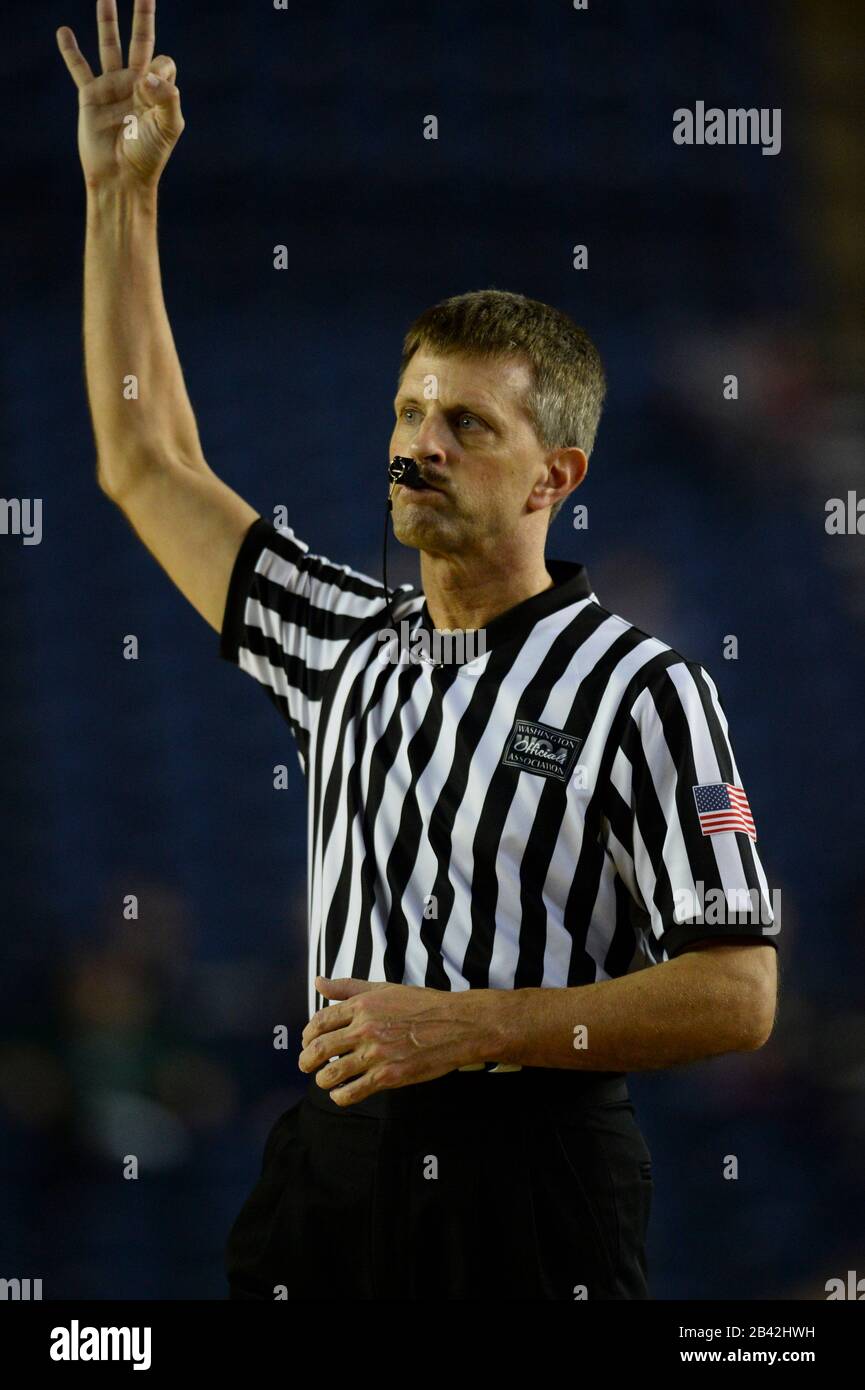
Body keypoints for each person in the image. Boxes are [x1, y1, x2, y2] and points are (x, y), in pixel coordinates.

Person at [58, 0, 779, 1300]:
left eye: (462, 423)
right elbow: (142, 456)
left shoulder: (642, 687)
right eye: (405, 408)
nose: (417, 442)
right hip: (333, 1162)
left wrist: (476, 1026)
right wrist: (123, 197)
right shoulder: (335, 635)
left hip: (531, 1171)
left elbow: (737, 993)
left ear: (551, 473)